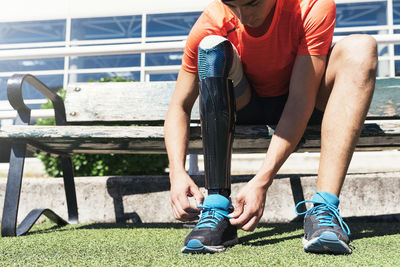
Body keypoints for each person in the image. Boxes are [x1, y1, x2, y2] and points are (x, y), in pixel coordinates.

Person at [164, 0, 377, 254]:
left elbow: (300, 100)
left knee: (361, 47)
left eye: (252, 3)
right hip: (246, 106)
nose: (243, 16)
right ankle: (217, 207)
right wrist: (176, 171)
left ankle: (324, 210)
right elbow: (179, 106)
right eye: (232, 5)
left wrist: (262, 180)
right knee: (211, 47)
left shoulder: (311, 6)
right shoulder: (212, 21)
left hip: (305, 99)